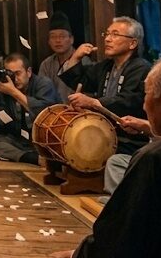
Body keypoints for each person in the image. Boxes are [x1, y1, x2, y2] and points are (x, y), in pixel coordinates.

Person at [39, 54, 161, 258]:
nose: (144, 104)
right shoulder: (104, 66)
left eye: (147, 95)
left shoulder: (160, 158)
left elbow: (119, 254)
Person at [58, 17, 149, 157]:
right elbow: (80, 81)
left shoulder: (141, 68)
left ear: (132, 43)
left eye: (115, 34)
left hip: (130, 141)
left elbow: (128, 100)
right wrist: (75, 57)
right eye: (107, 34)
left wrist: (93, 103)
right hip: (105, 134)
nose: (107, 39)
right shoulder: (106, 66)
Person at [0, 53, 60, 164]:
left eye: (18, 73)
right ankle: (30, 158)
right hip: (21, 141)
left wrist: (13, 92)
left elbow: (44, 114)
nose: (15, 79)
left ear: (29, 72)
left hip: (45, 140)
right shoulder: (7, 87)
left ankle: (31, 156)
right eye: (10, 74)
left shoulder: (43, 83)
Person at [38, 13, 85, 100]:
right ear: (48, 41)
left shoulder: (84, 61)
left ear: (71, 39)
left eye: (62, 36)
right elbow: (42, 94)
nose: (58, 40)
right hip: (52, 110)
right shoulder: (46, 64)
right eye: (53, 37)